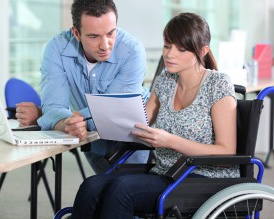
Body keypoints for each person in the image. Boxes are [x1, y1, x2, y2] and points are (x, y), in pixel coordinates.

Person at [70, 12, 239, 219]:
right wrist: (110, 116)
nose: (169, 54)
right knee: (91, 186)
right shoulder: (166, 80)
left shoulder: (218, 84)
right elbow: (142, 123)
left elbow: (226, 153)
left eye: (180, 49)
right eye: (167, 46)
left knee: (122, 189)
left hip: (204, 178)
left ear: (202, 51)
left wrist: (170, 141)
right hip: (166, 173)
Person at [15, 0, 150, 174]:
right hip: (91, 139)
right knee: (100, 191)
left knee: (126, 191)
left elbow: (112, 110)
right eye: (94, 37)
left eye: (111, 33)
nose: (105, 45)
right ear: (76, 33)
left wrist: (54, 117)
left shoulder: (132, 50)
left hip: (132, 136)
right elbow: (54, 105)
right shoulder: (56, 48)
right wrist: (66, 123)